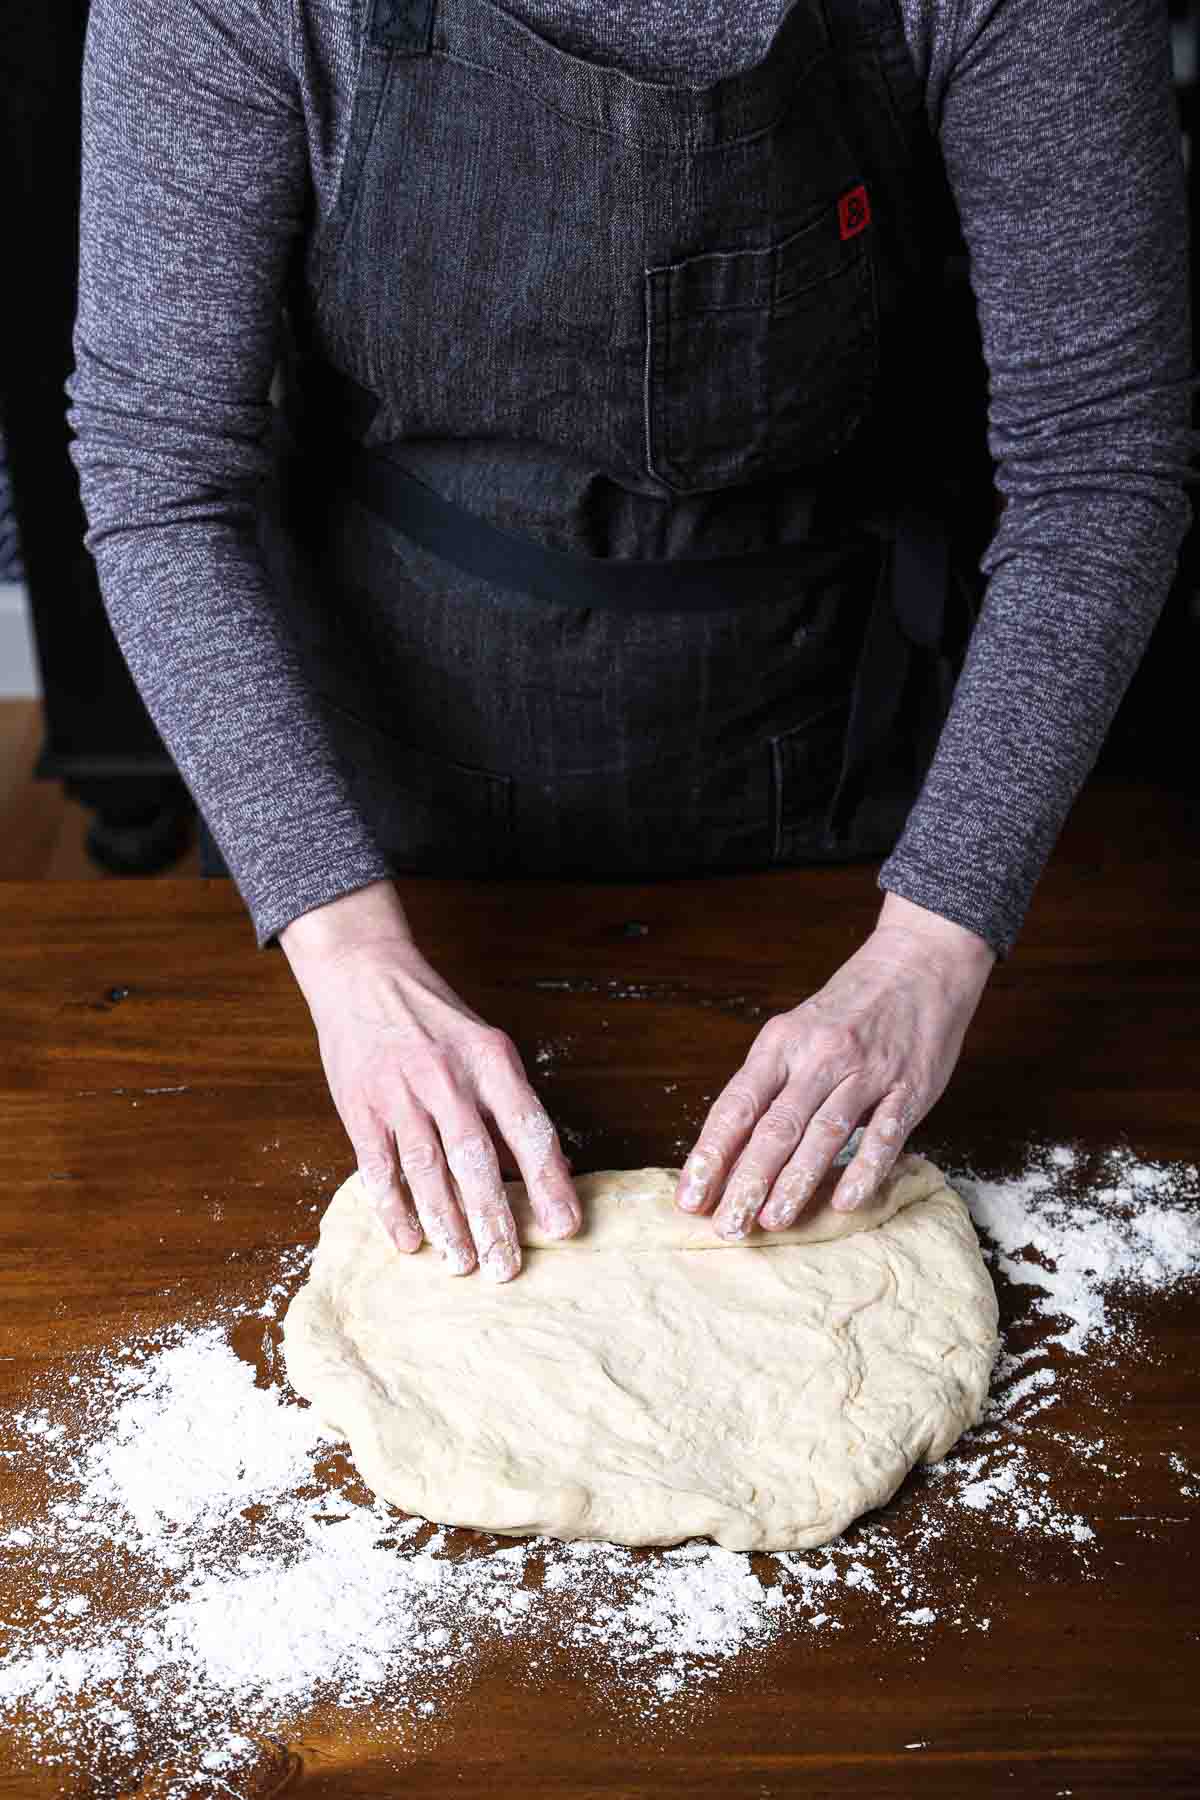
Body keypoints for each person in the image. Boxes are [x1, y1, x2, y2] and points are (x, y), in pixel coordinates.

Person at [66, 0, 1196, 1283]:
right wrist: (348, 947)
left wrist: (934, 943)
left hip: (844, 767)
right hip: (373, 803)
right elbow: (158, 471)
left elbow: (1101, 463)